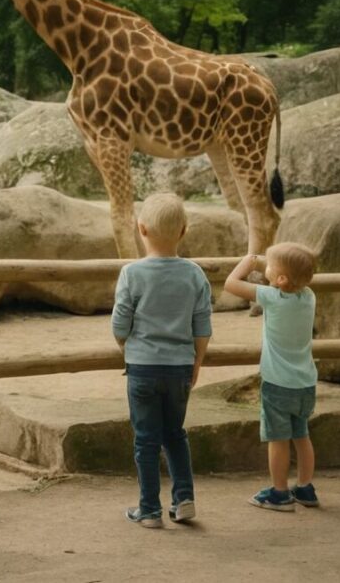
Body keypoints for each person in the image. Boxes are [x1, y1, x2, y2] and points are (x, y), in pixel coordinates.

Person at [112, 193, 212, 528]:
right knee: (174, 434)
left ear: (141, 228)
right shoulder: (195, 274)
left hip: (142, 367)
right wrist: (197, 362)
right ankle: (184, 499)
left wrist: (123, 342)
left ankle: (150, 510)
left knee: (146, 439)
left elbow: (120, 323)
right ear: (184, 231)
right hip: (180, 368)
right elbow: (202, 326)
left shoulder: (131, 273)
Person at [225, 242, 319, 511]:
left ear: (280, 279)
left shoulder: (270, 297)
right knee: (301, 435)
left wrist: (250, 261)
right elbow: (296, 273)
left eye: (270, 265)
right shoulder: (309, 296)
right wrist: (276, 264)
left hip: (278, 385)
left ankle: (279, 493)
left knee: (278, 439)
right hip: (305, 383)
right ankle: (305, 487)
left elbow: (232, 283)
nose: (265, 266)